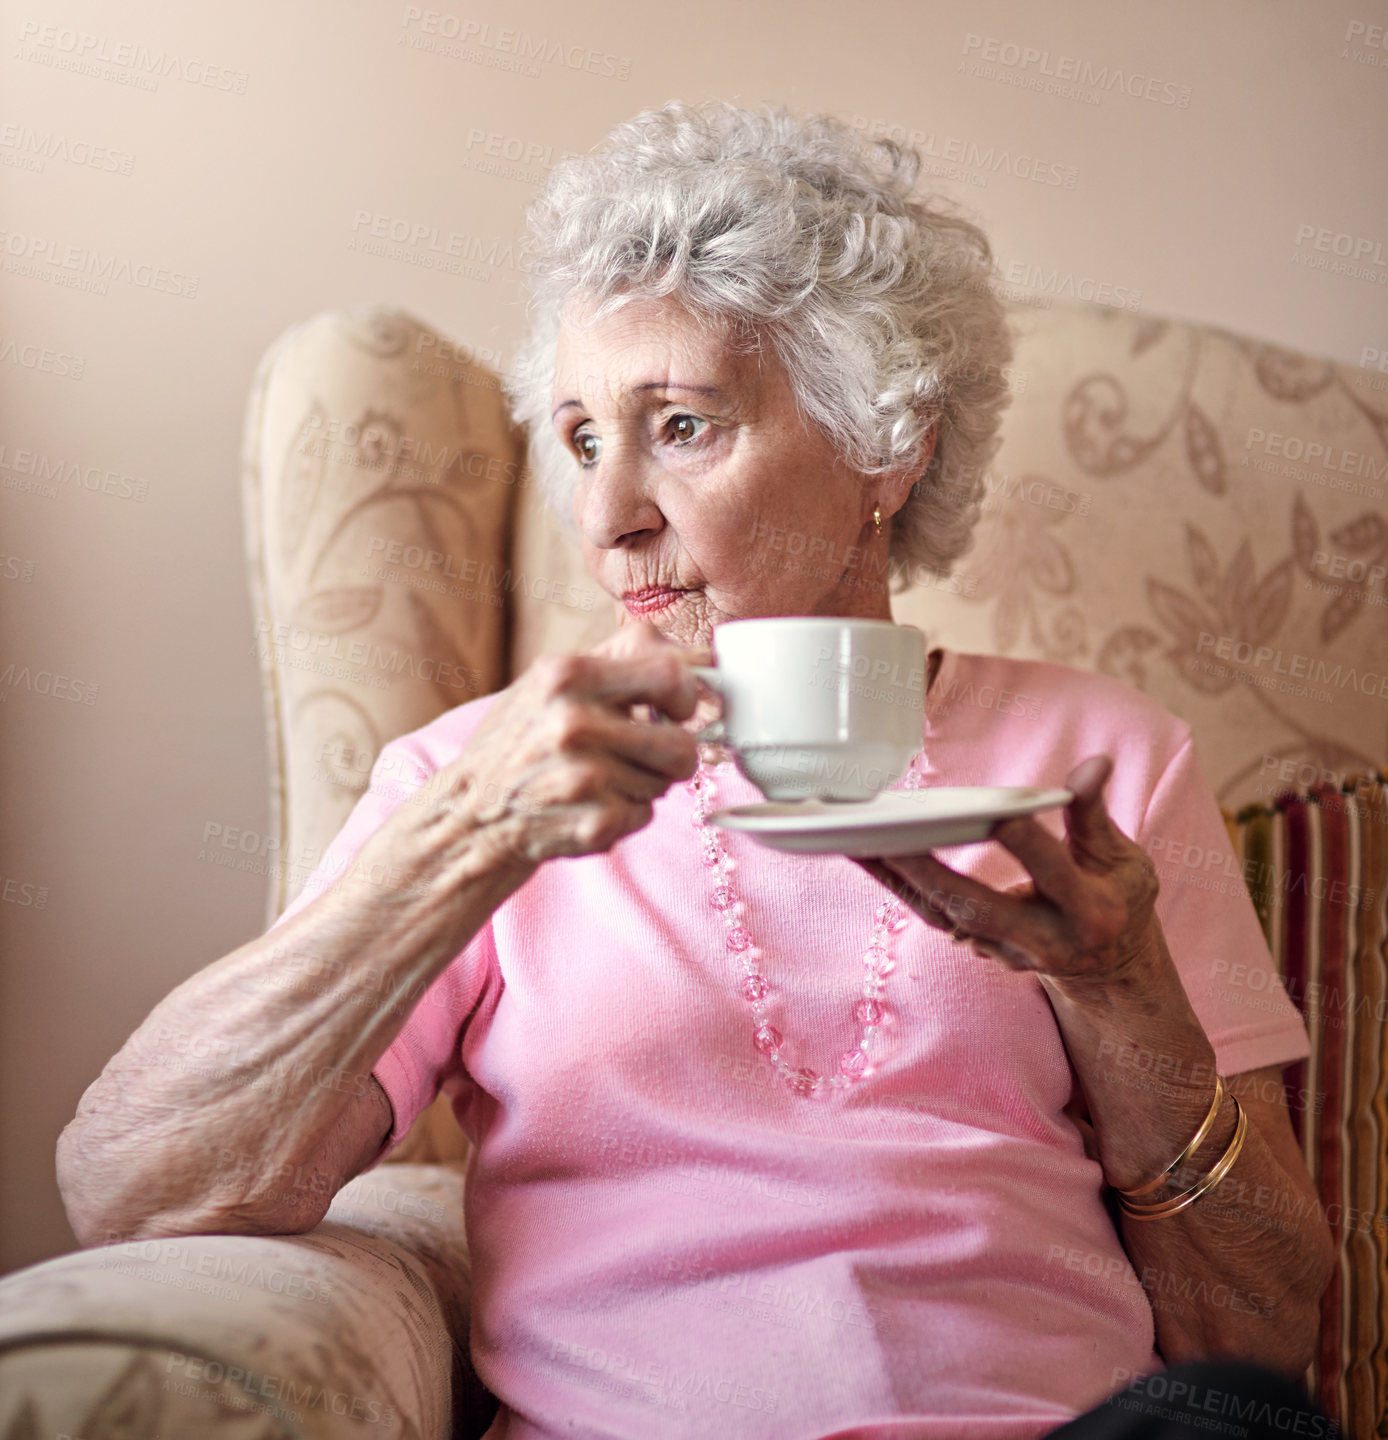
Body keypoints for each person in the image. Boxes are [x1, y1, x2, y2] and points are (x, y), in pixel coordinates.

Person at [57, 102, 1335, 1439]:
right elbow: (134, 1190)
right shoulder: (482, 780)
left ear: (887, 448)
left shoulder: (1097, 764)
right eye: (584, 440)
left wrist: (1119, 988)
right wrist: (460, 841)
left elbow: (1250, 1336)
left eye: (680, 426)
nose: (611, 523)